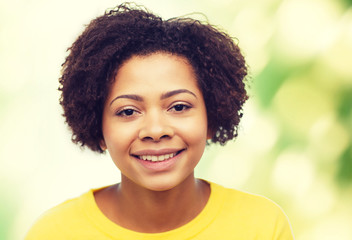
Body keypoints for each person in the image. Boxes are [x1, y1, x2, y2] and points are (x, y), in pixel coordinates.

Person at [25, 3, 294, 239]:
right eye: (128, 111)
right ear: (98, 128)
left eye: (178, 106)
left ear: (211, 118)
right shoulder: (54, 233)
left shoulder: (262, 227)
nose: (155, 130)